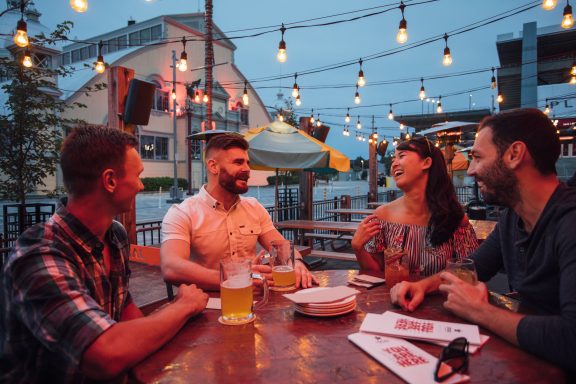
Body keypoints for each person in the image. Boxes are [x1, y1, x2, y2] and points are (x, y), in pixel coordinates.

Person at [0, 126, 209, 383]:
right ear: (110, 180)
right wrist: (184, 306)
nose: (141, 185)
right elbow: (103, 354)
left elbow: (127, 312)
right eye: (138, 175)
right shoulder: (39, 254)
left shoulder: (115, 235)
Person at [391, 108, 576, 374]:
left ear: (514, 154)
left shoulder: (570, 223)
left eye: (477, 157)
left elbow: (571, 338)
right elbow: (471, 267)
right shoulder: (514, 217)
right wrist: (422, 286)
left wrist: (480, 311)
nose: (471, 172)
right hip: (529, 365)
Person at [161, 133, 316, 290]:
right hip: (208, 305)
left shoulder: (254, 207)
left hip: (256, 301)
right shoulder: (182, 213)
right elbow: (171, 268)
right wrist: (236, 277)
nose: (247, 169)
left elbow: (281, 247)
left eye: (247, 163)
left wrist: (297, 263)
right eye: (238, 162)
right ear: (213, 166)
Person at [352, 137, 478, 277]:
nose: (394, 164)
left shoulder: (454, 218)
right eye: (394, 158)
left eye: (402, 156)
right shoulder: (382, 216)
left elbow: (468, 273)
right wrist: (358, 248)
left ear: (426, 162)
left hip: (442, 299)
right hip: (394, 297)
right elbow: (376, 273)